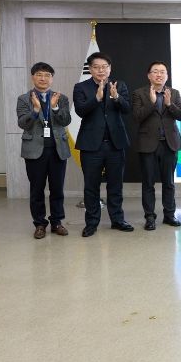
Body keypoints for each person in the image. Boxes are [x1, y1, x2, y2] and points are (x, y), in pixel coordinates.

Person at [73, 52, 133, 237]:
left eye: (104, 67)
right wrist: (97, 98)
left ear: (110, 68)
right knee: (91, 186)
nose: (101, 70)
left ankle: (117, 220)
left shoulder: (119, 85)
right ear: (90, 69)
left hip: (115, 144)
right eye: (96, 67)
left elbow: (127, 109)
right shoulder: (81, 87)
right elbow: (80, 111)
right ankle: (91, 223)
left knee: (115, 185)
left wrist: (116, 97)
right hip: (91, 145)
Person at [16, 62, 72, 239]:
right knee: (37, 189)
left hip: (57, 149)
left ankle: (57, 222)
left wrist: (54, 108)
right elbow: (22, 123)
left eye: (47, 75)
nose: (43, 78)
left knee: (57, 189)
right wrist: (35, 110)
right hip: (34, 150)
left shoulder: (61, 98)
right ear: (33, 77)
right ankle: (39, 224)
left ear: (52, 78)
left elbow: (66, 121)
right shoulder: (24, 99)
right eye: (39, 74)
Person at [131, 61, 181, 230]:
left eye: (162, 72)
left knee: (169, 182)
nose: (159, 74)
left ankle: (169, 215)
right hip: (148, 144)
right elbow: (137, 117)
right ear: (149, 75)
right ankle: (150, 217)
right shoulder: (139, 93)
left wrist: (169, 104)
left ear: (167, 76)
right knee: (148, 183)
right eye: (155, 71)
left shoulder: (174, 93)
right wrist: (152, 103)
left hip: (169, 144)